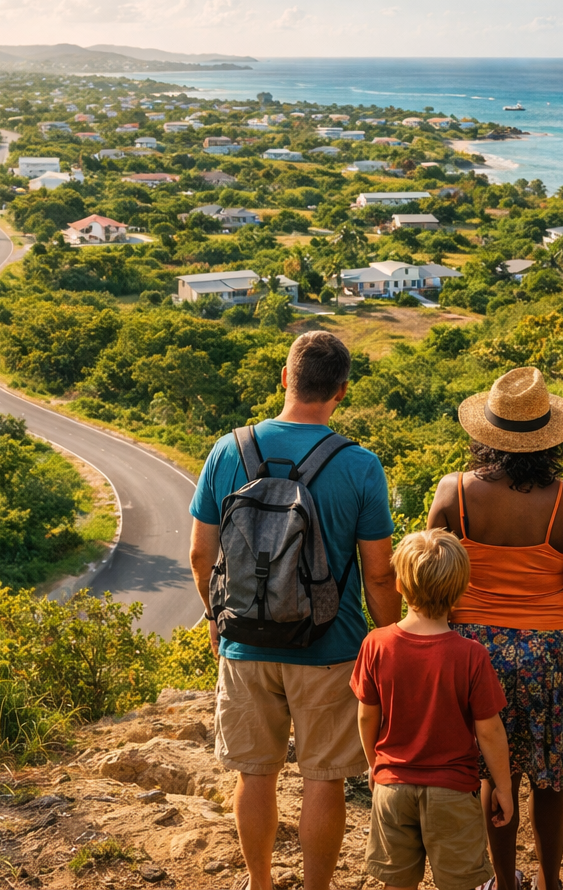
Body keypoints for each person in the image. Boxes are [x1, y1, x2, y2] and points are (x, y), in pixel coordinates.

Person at [189, 330, 401, 890]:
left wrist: (218, 620)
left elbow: (199, 552)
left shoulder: (227, 450)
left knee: (254, 775)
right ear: (342, 392)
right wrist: (394, 639)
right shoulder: (359, 465)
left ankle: (260, 883)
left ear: (284, 378)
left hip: (245, 640)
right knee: (323, 780)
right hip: (330, 646)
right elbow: (379, 572)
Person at [426, 366, 563, 890]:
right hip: (553, 653)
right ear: (549, 439)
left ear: (486, 434)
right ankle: (551, 882)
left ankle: (505, 883)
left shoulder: (454, 492)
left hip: (473, 652)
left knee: (493, 772)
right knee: (550, 781)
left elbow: (426, 575)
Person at [352, 529, 514, 890]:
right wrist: (502, 788)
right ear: (460, 589)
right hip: (452, 792)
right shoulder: (471, 655)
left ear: (399, 585)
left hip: (393, 787)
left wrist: (375, 766)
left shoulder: (375, 644)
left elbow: (366, 716)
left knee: (397, 883)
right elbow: (489, 731)